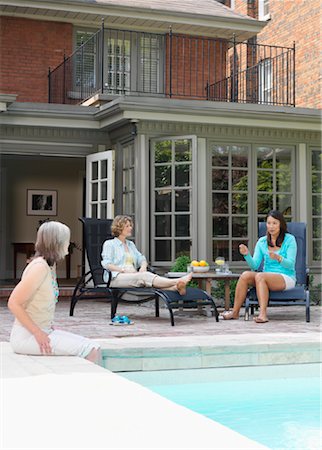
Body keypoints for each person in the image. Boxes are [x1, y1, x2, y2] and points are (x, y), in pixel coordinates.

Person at [8, 221, 100, 363]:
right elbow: (14, 303)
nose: (68, 243)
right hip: (26, 337)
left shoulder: (49, 265)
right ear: (57, 243)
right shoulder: (39, 267)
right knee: (91, 350)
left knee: (94, 346)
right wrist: (38, 332)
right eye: (66, 240)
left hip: (44, 330)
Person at [223, 210, 297, 323]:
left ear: (281, 224)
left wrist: (279, 258)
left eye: (274, 223)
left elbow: (290, 264)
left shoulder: (290, 239)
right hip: (265, 277)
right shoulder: (262, 242)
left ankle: (263, 315)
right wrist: (246, 254)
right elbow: (255, 265)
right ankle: (235, 312)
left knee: (260, 276)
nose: (271, 226)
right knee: (245, 275)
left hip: (286, 277)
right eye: (269, 223)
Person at [101, 215, 192, 295]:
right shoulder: (110, 244)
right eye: (127, 226)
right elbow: (107, 264)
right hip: (115, 278)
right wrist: (123, 270)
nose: (130, 228)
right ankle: (177, 281)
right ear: (119, 228)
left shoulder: (130, 244)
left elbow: (141, 258)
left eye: (130, 225)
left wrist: (143, 267)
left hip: (133, 275)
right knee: (143, 277)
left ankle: (175, 288)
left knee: (143, 277)